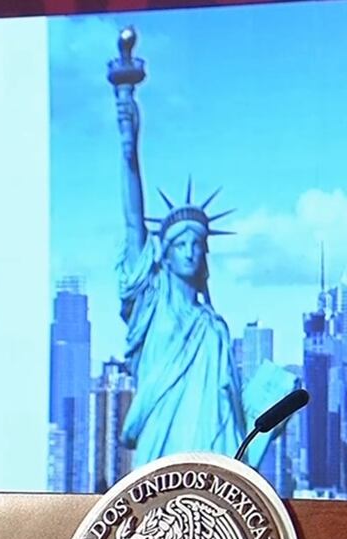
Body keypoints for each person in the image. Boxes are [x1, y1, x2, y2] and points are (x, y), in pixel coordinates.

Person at [115, 92, 246, 467]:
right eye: (181, 244)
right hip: (159, 452)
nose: (190, 251)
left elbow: (230, 412)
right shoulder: (150, 305)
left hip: (210, 458)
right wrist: (129, 149)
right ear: (165, 254)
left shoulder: (213, 328)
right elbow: (133, 222)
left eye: (197, 244)